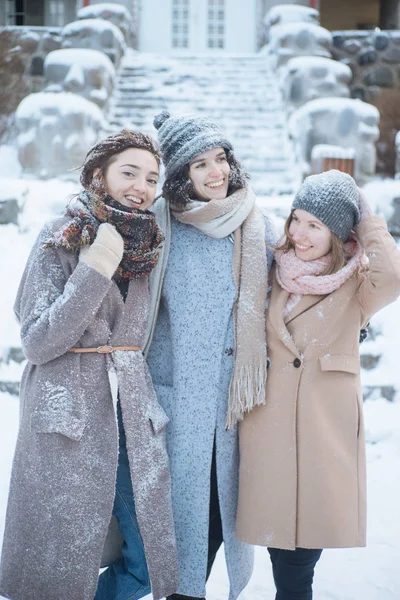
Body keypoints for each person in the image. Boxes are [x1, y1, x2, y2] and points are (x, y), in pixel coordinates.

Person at [0, 130, 178, 600]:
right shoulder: (59, 235)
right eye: (129, 172)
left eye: (152, 178)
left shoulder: (147, 243)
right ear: (98, 174)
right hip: (68, 416)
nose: (141, 186)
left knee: (149, 565)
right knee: (57, 568)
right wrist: (95, 266)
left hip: (132, 418)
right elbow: (38, 340)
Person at [236, 169, 400, 600]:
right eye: (297, 220)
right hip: (268, 434)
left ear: (340, 235)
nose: (300, 234)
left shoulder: (357, 286)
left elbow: (395, 277)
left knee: (297, 569)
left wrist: (365, 216)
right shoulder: (271, 270)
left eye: (316, 225)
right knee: (279, 558)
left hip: (322, 441)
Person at [145, 111, 276, 600]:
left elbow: (283, 295)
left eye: (219, 158)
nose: (216, 172)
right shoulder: (159, 227)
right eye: (199, 164)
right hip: (177, 409)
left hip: (234, 410)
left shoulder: (252, 223)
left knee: (221, 523)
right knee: (179, 540)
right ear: (181, 175)